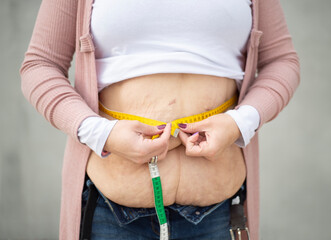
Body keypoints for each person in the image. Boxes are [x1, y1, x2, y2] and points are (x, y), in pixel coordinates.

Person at [20, 0, 300, 239]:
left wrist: (239, 122)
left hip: (220, 210)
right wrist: (100, 133)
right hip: (110, 209)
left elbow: (282, 61)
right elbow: (40, 65)